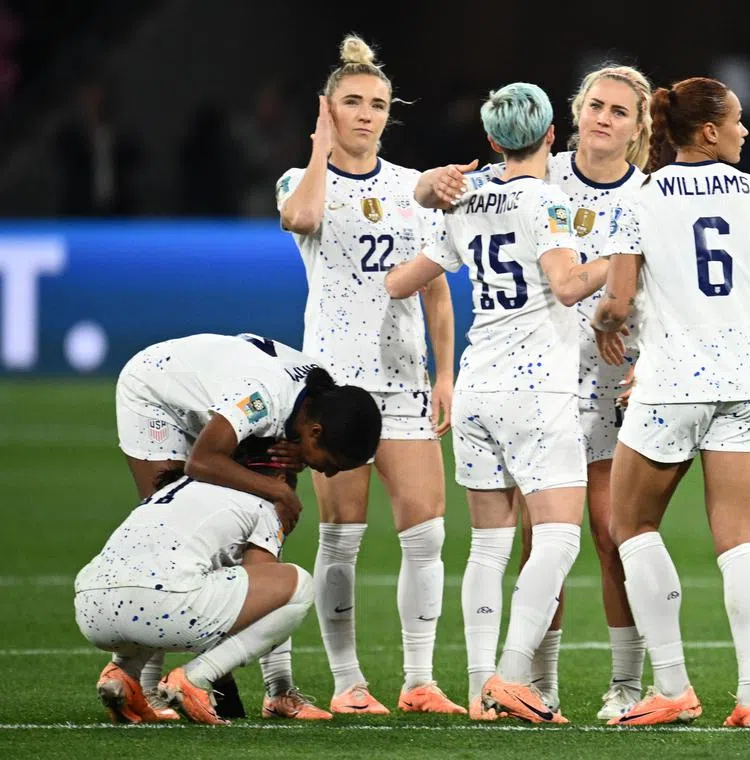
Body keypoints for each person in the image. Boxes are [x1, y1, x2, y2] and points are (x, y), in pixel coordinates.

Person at [416, 63, 653, 720]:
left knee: (610, 533)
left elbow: (662, 283)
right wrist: (427, 184)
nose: (604, 119)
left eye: (619, 111)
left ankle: (626, 683)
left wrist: (639, 339)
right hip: (538, 381)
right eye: (596, 105)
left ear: (638, 128)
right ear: (571, 116)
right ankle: (537, 681)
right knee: (535, 538)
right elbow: (447, 196)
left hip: (609, 381)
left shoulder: (649, 195)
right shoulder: (538, 174)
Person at [276, 34, 463, 716]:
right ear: (327, 108)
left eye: (378, 104)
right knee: (342, 536)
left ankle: (419, 680)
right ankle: (349, 682)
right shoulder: (301, 181)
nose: (366, 114)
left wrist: (445, 374)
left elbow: (435, 288)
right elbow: (299, 217)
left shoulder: (410, 188)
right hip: (335, 387)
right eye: (352, 102)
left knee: (427, 532)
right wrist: (319, 148)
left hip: (404, 380)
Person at [594, 76, 750, 728]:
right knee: (738, 541)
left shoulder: (641, 198)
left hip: (671, 384)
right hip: (747, 382)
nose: (744, 130)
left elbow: (618, 302)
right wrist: (729, 347)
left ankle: (673, 686)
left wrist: (602, 323)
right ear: (708, 131)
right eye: (737, 120)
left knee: (631, 527)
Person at [114, 330, 381, 718]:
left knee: (265, 527)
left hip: (218, 407)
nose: (329, 474)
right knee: (168, 534)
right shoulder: (263, 398)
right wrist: (280, 490)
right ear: (315, 432)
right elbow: (203, 461)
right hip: (156, 392)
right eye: (332, 464)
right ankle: (147, 686)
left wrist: (286, 476)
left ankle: (278, 689)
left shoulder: (320, 403)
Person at [75, 438, 315, 726]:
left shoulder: (174, 489)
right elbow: (258, 591)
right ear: (280, 479)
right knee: (299, 585)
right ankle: (196, 677)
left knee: (163, 579)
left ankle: (123, 674)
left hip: (90, 610)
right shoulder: (263, 502)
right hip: (162, 607)